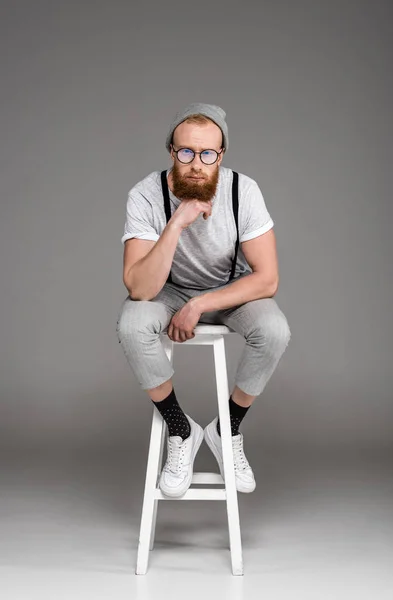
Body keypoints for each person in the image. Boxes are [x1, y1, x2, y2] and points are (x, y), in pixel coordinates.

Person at [116, 102, 291, 498]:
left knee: (274, 330)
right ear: (171, 152)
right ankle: (181, 430)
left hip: (227, 289)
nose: (197, 164)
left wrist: (200, 305)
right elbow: (139, 288)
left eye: (208, 154)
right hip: (166, 289)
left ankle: (226, 427)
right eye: (186, 152)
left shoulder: (242, 191)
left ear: (222, 154)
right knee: (131, 325)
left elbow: (268, 278)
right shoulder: (145, 195)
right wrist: (177, 221)